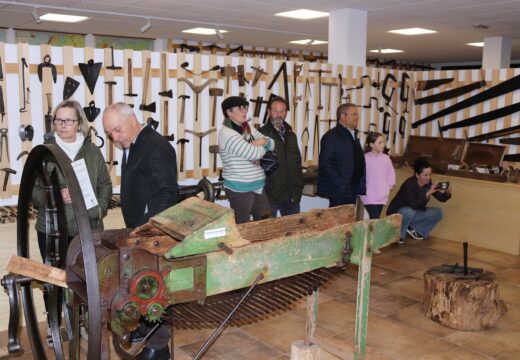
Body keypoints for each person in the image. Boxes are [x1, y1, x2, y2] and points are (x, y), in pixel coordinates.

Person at [31, 99, 112, 345]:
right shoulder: (43, 152)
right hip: (52, 228)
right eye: (58, 120)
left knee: (87, 278)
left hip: (86, 228)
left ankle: (86, 322)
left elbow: (104, 185)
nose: (62, 125)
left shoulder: (92, 152)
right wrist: (54, 195)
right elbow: (32, 193)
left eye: (68, 120)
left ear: (79, 124)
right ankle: (54, 324)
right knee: (53, 277)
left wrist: (97, 210)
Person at [102, 102, 177, 360]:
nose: (115, 137)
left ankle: (159, 346)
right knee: (140, 285)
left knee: (154, 287)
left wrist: (146, 230)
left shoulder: (155, 146)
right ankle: (144, 331)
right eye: (110, 133)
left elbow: (167, 195)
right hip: (139, 231)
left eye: (117, 130)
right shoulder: (132, 143)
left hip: (151, 234)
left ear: (132, 119)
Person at [218, 96, 275, 224]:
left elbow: (272, 144)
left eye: (245, 107)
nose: (244, 111)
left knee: (265, 224)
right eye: (240, 108)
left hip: (258, 185)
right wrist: (262, 146)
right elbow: (253, 154)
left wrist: (263, 141)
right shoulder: (227, 134)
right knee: (242, 226)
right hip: (239, 188)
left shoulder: (247, 127)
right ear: (229, 112)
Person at [387, 157, 452, 244]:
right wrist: (428, 193)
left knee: (438, 212)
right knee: (409, 211)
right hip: (397, 214)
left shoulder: (428, 183)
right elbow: (414, 205)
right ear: (417, 175)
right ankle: (399, 236)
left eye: (430, 174)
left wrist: (447, 192)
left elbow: (441, 198)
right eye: (425, 175)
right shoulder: (409, 184)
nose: (428, 177)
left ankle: (417, 230)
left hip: (412, 212)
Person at [259, 97, 303, 217]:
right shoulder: (261, 135)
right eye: (275, 111)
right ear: (269, 112)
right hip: (269, 196)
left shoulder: (291, 135)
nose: (279, 115)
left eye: (282, 111)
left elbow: (297, 162)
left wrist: (298, 188)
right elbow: (255, 165)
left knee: (292, 232)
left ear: (286, 113)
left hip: (291, 195)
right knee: (268, 232)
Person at [317, 103, 366, 207]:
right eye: (354, 114)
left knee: (348, 220)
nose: (357, 117)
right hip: (340, 190)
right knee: (338, 220)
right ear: (343, 116)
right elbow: (326, 163)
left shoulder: (352, 135)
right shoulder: (331, 137)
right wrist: (340, 183)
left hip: (352, 188)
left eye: (357, 114)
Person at [360, 132, 395, 219]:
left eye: (383, 142)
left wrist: (388, 187)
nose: (383, 144)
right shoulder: (364, 158)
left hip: (382, 194)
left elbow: (391, 174)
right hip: (368, 195)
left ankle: (369, 232)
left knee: (375, 221)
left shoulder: (386, 158)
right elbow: (359, 175)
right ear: (371, 144)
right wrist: (362, 189)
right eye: (380, 142)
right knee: (375, 219)